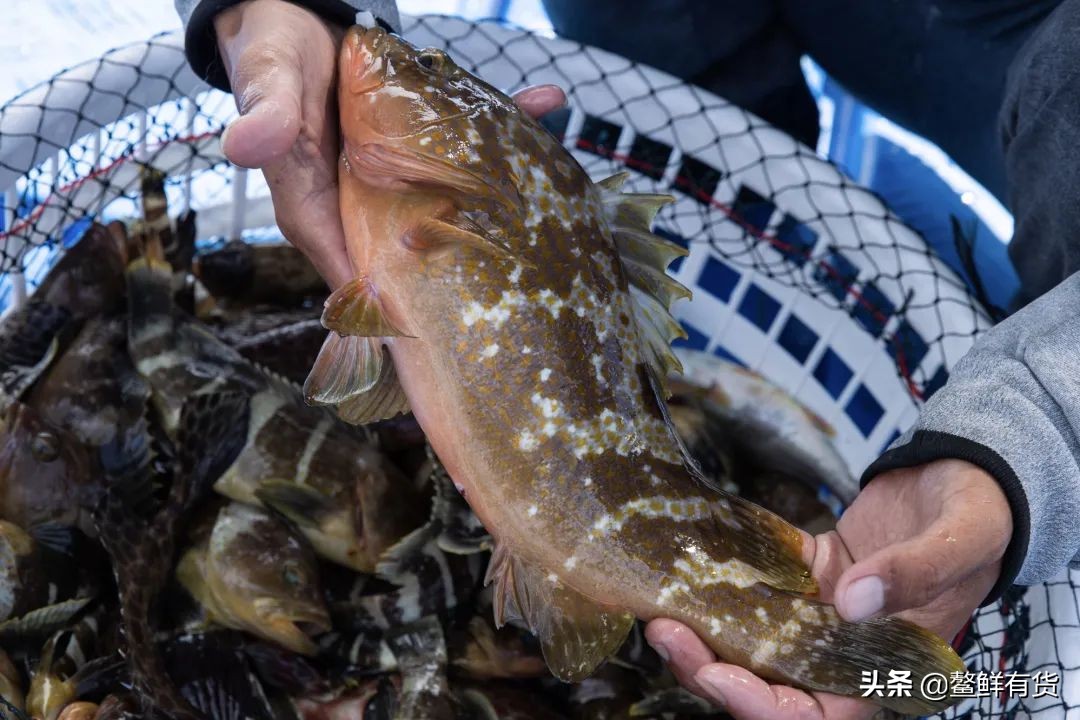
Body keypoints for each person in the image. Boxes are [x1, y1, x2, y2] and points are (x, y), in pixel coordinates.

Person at [173, 1, 1080, 717]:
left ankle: (975, 686)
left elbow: (362, 366)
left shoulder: (433, 198)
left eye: (427, 74)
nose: (385, 53)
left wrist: (1025, 439)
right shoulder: (425, 192)